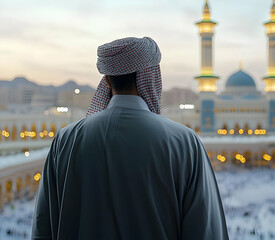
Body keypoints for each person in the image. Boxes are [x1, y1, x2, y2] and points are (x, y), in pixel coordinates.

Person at [31, 37, 229, 240]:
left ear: (107, 80)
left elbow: (42, 227)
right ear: (150, 78)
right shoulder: (183, 142)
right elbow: (206, 230)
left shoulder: (66, 140)